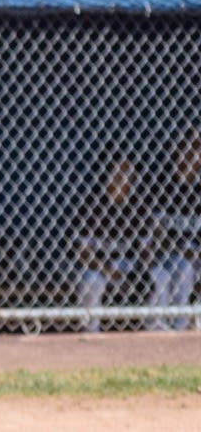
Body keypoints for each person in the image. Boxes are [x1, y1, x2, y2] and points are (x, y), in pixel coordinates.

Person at [71, 154, 150, 332]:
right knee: (92, 280)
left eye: (127, 176)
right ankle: (91, 330)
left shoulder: (137, 207)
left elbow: (147, 250)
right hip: (97, 266)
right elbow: (82, 253)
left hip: (127, 265)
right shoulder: (91, 206)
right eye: (117, 174)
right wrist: (106, 271)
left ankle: (158, 328)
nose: (122, 181)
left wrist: (141, 270)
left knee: (160, 274)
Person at [145, 126, 201, 331]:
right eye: (187, 150)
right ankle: (175, 325)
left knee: (188, 264)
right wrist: (180, 249)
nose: (191, 157)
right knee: (183, 266)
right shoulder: (162, 187)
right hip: (167, 255)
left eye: (197, 152)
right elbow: (154, 233)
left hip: (195, 254)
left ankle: (189, 324)